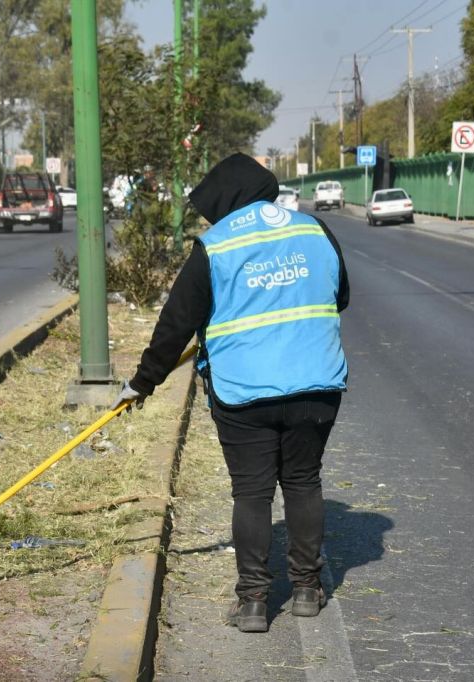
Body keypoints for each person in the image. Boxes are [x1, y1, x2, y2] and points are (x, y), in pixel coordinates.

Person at [113, 153, 349, 633]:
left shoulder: (214, 246)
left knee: (252, 492)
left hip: (246, 392)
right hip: (317, 385)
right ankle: (306, 589)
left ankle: (254, 603)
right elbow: (339, 295)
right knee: (303, 481)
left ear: (223, 199)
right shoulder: (314, 230)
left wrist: (143, 383)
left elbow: (176, 324)